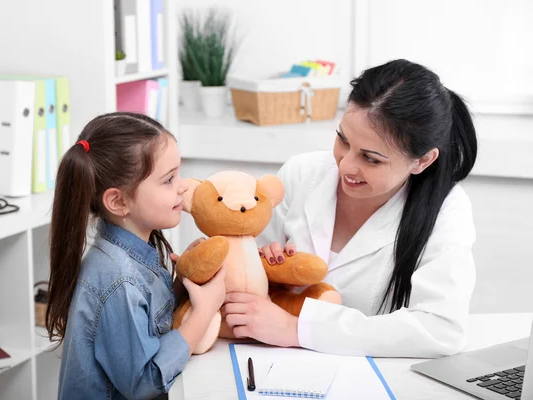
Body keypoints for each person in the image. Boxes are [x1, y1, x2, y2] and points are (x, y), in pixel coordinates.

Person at [222, 59, 478, 358]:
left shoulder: (447, 209)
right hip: (268, 359)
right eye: (343, 140)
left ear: (422, 160)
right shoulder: (301, 173)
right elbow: (243, 287)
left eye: (371, 158)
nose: (346, 165)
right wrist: (260, 266)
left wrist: (299, 329)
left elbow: (442, 329)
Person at [45, 112, 226, 400]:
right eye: (168, 180)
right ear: (118, 201)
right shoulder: (117, 278)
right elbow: (144, 381)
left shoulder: (134, 253)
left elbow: (149, 326)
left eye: (178, 173)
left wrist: (181, 285)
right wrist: (204, 312)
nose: (182, 185)